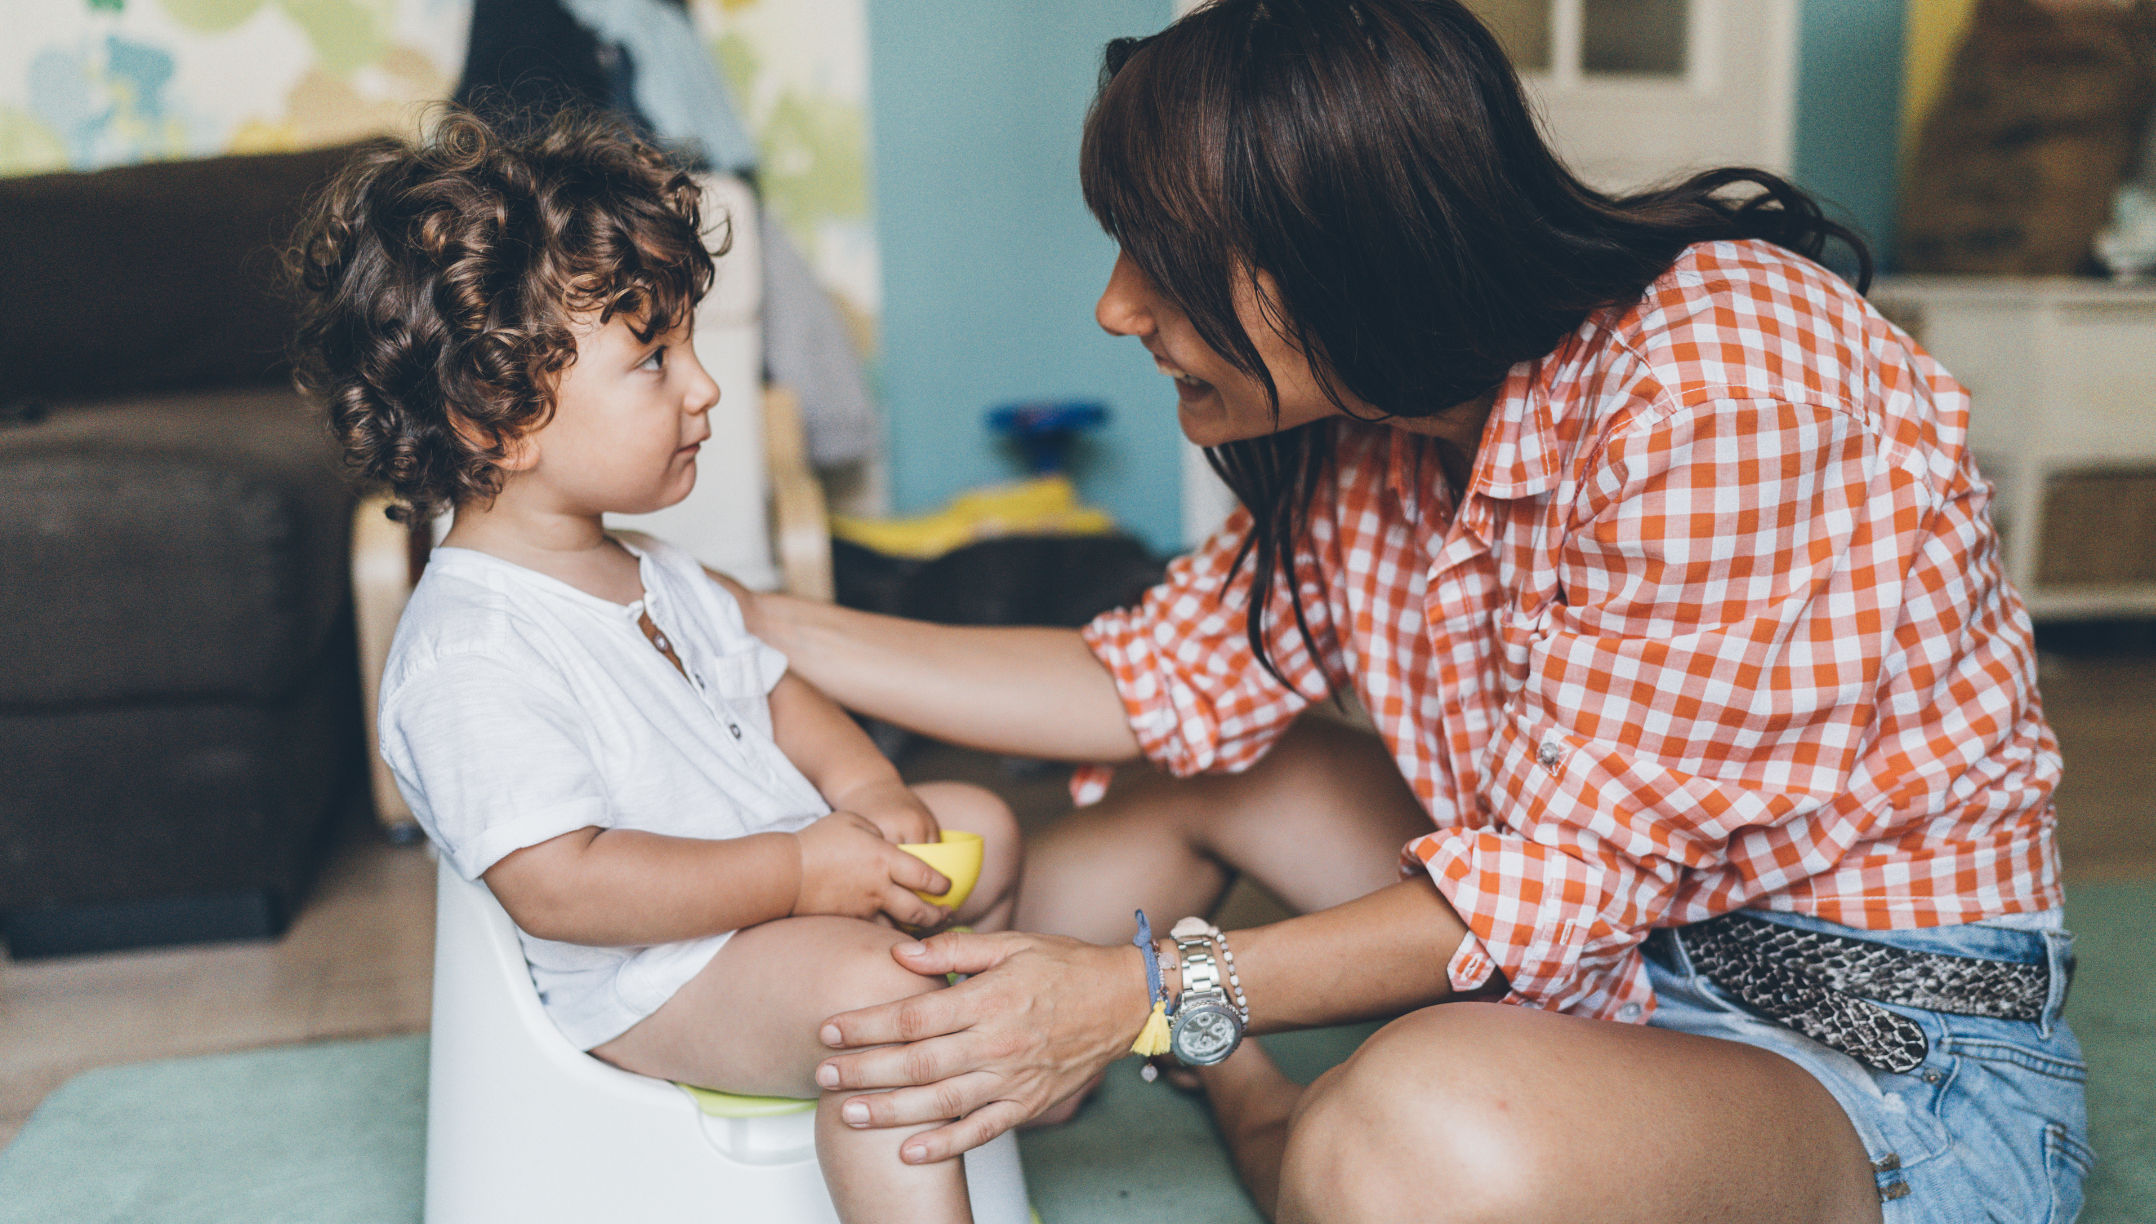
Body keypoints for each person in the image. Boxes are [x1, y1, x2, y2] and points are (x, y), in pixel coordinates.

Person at [710, 3, 2089, 1222]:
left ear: (1343, 246)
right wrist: (740, 618)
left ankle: (1252, 1107)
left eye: (1162, 253)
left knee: (1407, 1133)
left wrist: (1139, 999)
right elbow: (1141, 679)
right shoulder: (1378, 421)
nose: (1116, 303)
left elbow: (1561, 885)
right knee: (1203, 779)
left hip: (1879, 1057)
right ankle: (949, 1037)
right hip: (1608, 954)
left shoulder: (1725, 383)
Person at [290, 108, 1021, 1224]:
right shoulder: (471, 654)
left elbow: (774, 690)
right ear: (496, 418)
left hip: (785, 898)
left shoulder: (655, 569)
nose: (704, 388)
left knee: (985, 821)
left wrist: (872, 793)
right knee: (890, 1009)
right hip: (657, 977)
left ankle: (994, 1098)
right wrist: (796, 876)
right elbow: (562, 885)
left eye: (689, 347)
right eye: (653, 360)